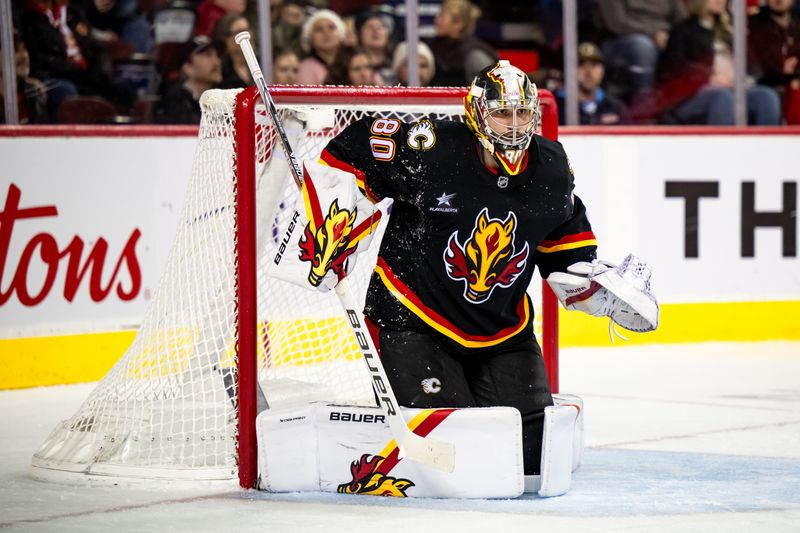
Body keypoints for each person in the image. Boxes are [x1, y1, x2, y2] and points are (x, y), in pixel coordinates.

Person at [317, 61, 658, 482]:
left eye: (522, 113)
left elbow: (563, 254)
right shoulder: (431, 147)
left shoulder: (551, 167)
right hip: (414, 320)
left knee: (530, 462)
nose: (513, 125)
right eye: (501, 112)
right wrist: (331, 221)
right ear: (476, 112)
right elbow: (348, 151)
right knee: (457, 460)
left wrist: (593, 291)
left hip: (503, 333)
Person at [655, 0, 782, 125]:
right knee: (723, 98)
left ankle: (761, 145)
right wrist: (709, 76)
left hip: (734, 89)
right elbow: (672, 69)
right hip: (694, 96)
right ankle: (721, 145)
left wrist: (742, 79)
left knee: (766, 97)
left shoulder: (730, 32)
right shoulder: (683, 30)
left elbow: (755, 69)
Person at [595, 0, 687, 103]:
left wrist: (672, 37)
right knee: (643, 46)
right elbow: (616, 23)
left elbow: (682, 20)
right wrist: (653, 34)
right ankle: (643, 103)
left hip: (662, 37)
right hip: (619, 40)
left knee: (687, 42)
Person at [556, 42, 631, 125]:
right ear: (570, 71)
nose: (588, 72)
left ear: (602, 70)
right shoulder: (556, 107)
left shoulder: (616, 108)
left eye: (594, 65)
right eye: (581, 65)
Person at [426, 0, 497, 86]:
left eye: (442, 17)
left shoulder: (476, 54)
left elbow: (490, 92)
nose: (436, 21)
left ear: (458, 24)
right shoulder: (430, 47)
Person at [154, 35, 222, 123]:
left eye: (217, 55)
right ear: (188, 67)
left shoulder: (223, 99)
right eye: (208, 55)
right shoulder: (176, 102)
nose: (217, 62)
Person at [297, 8, 346, 85]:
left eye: (331, 27)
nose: (326, 33)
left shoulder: (351, 62)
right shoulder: (305, 68)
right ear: (310, 38)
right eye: (319, 29)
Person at [212, 13, 253, 89]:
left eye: (248, 30)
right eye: (240, 32)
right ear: (225, 39)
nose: (248, 36)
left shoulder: (262, 63)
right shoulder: (220, 71)